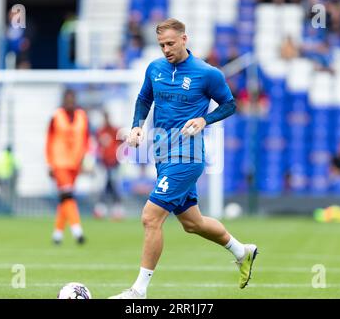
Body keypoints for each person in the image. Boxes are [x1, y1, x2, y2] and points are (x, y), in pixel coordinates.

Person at [109, 18, 258, 299]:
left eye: (170, 43)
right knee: (193, 223)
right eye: (162, 45)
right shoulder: (155, 69)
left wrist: (205, 119)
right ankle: (243, 251)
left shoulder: (207, 73)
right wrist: (137, 124)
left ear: (184, 39)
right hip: (163, 155)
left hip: (187, 156)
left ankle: (138, 291)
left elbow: (230, 104)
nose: (166, 49)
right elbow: (143, 99)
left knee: (150, 217)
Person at [46, 89, 89, 245]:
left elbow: (85, 140)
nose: (70, 102)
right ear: (63, 100)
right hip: (60, 162)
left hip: (75, 163)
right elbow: (49, 140)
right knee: (68, 196)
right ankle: (78, 232)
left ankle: (57, 234)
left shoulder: (82, 116)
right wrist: (49, 163)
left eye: (72, 99)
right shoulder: (56, 116)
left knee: (65, 199)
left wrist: (85, 160)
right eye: (67, 99)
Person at [93, 111, 124, 220]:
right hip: (104, 163)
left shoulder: (114, 130)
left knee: (113, 185)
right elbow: (98, 146)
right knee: (106, 186)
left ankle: (113, 210)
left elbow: (122, 140)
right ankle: (105, 210)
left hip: (114, 163)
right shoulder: (100, 131)